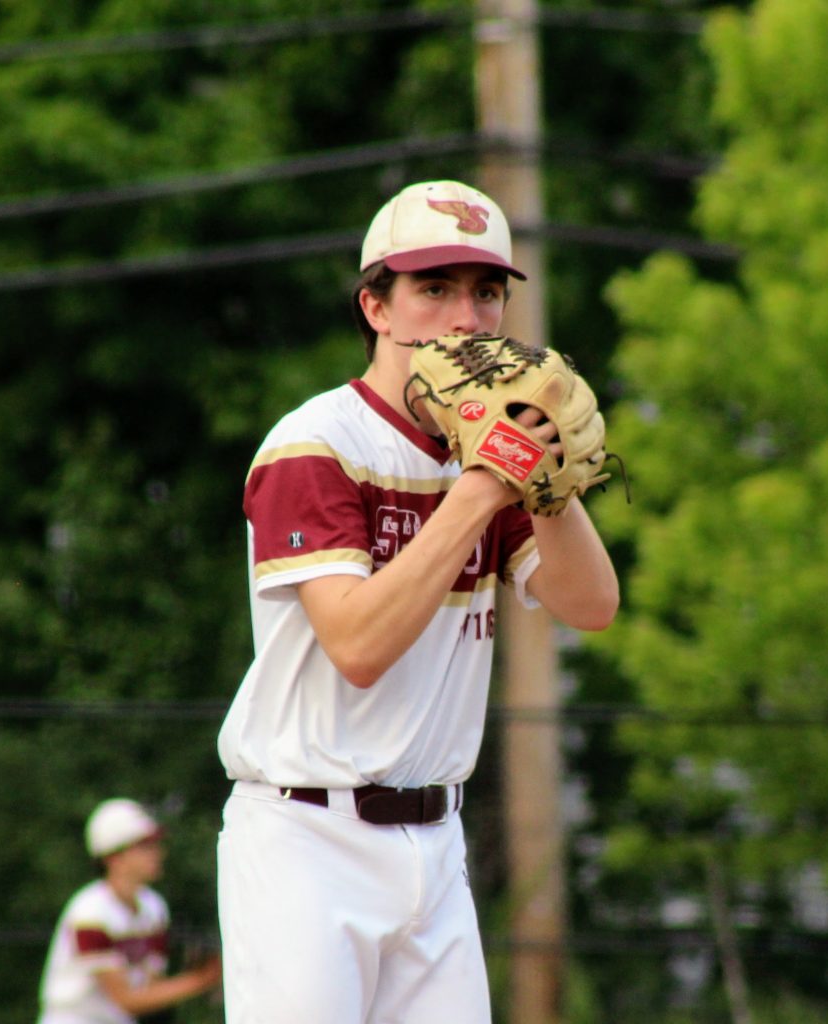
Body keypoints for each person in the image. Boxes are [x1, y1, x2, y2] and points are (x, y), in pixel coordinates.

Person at [216, 179, 620, 1024]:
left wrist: (548, 486)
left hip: (435, 844)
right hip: (305, 842)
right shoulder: (317, 443)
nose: (464, 316)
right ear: (378, 308)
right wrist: (483, 488)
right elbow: (358, 647)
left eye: (485, 292)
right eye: (433, 289)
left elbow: (591, 605)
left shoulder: (489, 456)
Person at [37, 798, 222, 1024]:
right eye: (144, 846)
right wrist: (202, 978)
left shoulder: (154, 907)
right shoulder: (90, 912)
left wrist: (192, 974)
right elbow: (126, 1000)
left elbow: (149, 990)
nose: (157, 852)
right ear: (113, 857)